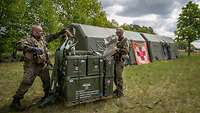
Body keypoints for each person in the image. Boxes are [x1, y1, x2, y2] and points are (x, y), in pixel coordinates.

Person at [10, 25, 72, 111]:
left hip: (43, 65)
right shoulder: (28, 39)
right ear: (34, 32)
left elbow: (52, 36)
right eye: (40, 31)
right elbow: (18, 45)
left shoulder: (43, 39)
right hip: (32, 66)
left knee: (47, 82)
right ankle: (15, 101)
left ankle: (47, 96)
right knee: (26, 82)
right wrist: (32, 49)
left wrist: (61, 32)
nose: (41, 33)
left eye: (41, 31)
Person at [113, 28, 129, 97]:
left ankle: (120, 93)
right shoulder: (116, 40)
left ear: (122, 33)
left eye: (119, 32)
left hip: (120, 61)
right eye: (116, 32)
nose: (117, 33)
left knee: (118, 76)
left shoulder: (124, 40)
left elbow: (126, 51)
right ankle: (118, 89)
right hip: (114, 60)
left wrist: (117, 49)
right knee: (114, 76)